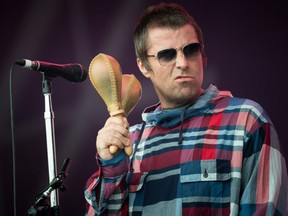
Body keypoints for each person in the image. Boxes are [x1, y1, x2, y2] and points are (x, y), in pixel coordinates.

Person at [84, 3, 288, 215]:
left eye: (190, 50)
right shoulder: (130, 141)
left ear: (203, 56)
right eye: (167, 55)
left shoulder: (246, 121)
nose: (182, 62)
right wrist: (111, 167)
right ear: (144, 66)